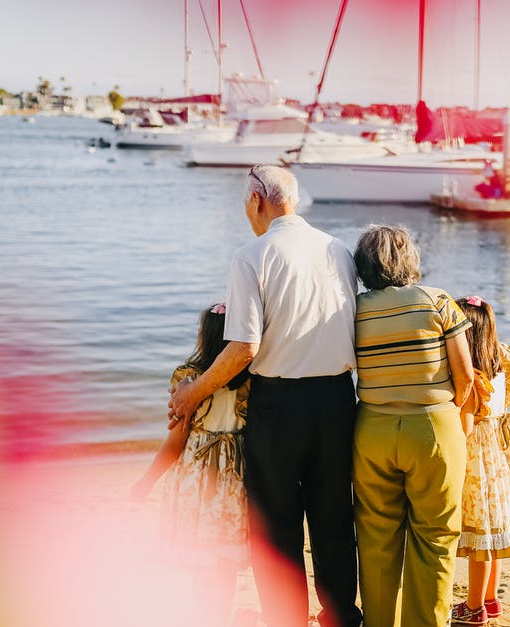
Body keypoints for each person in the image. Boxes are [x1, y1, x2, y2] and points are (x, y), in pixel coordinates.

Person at [168, 165, 362, 627]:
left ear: (257, 199)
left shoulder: (251, 255)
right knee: (334, 516)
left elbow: (244, 348)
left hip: (278, 404)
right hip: (337, 400)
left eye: (244, 203)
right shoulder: (339, 251)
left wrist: (193, 392)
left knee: (276, 527)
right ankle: (340, 617)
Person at [350, 225, 475, 627]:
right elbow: (466, 376)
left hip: (371, 430)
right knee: (436, 539)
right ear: (409, 259)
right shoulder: (436, 300)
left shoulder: (354, 309)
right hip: (433, 428)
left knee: (375, 538)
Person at [131, 303, 250, 626]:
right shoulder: (254, 380)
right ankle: (220, 616)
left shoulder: (188, 380)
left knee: (201, 562)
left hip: (197, 480)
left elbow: (174, 443)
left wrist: (146, 482)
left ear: (204, 337)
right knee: (225, 561)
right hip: (236, 480)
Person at [449, 296, 510, 626]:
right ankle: (491, 599)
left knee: (480, 540)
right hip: (498, 453)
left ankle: (473, 606)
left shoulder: (472, 377)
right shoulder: (503, 362)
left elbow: (465, 425)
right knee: (492, 535)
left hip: (476, 460)